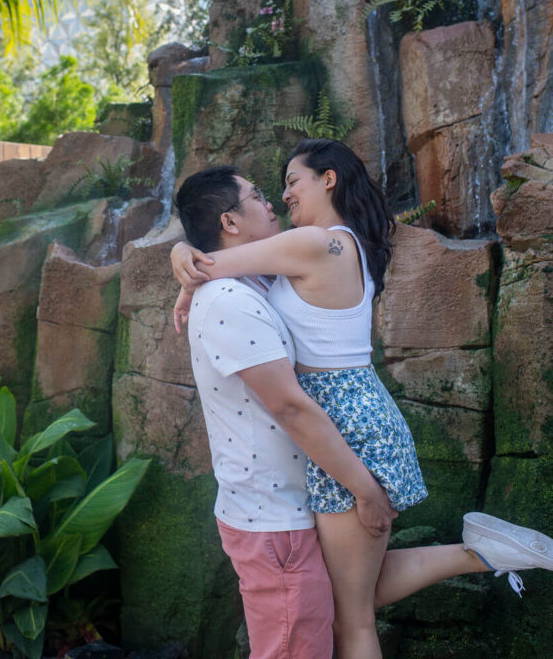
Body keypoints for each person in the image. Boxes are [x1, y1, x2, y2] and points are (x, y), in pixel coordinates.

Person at [172, 142, 553, 659]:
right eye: (272, 189)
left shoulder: (315, 243)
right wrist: (186, 261)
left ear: (328, 179)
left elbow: (209, 262)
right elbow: (215, 263)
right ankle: (484, 552)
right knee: (347, 595)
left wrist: (184, 266)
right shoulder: (335, 244)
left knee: (354, 623)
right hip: (354, 416)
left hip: (348, 423)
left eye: (292, 182)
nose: (283, 197)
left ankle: (483, 553)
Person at [173, 165, 397, 659]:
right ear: (230, 222)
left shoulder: (254, 279)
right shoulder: (230, 299)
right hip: (272, 521)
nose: (272, 200)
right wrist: (365, 489)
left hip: (292, 510)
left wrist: (183, 258)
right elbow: (293, 408)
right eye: (256, 196)